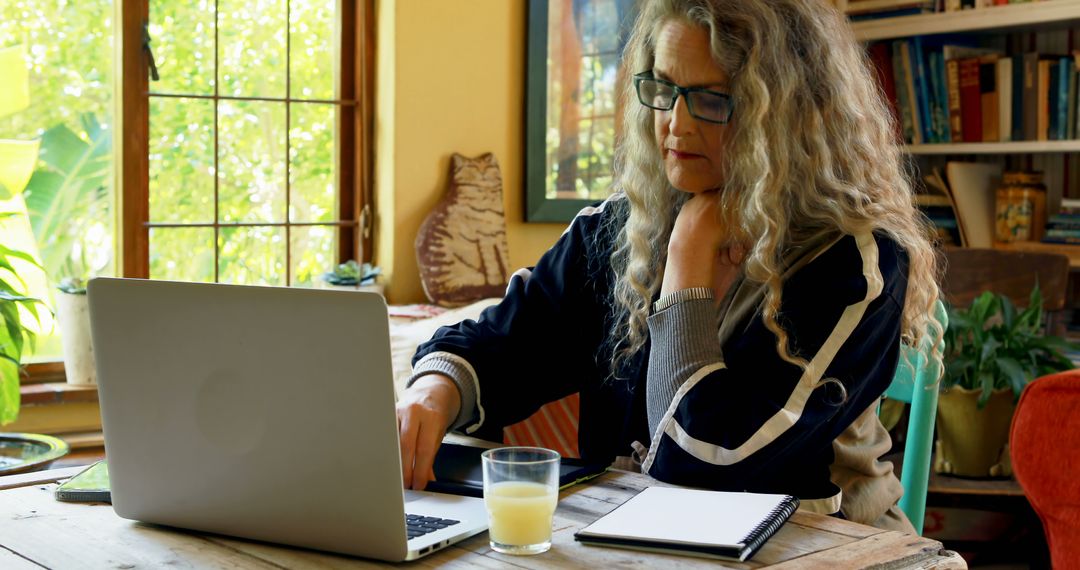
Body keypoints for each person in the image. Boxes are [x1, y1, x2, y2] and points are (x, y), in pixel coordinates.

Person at [396, 0, 943, 532]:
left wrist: (687, 260)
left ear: (786, 114)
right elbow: (506, 342)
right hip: (642, 540)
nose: (674, 124)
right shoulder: (620, 230)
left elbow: (702, 464)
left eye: (712, 99)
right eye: (663, 90)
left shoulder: (853, 267)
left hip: (823, 546)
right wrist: (435, 388)